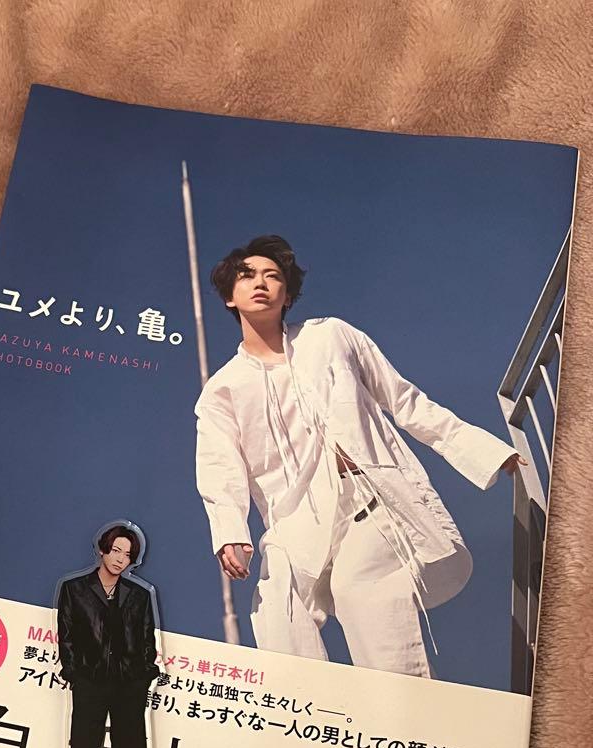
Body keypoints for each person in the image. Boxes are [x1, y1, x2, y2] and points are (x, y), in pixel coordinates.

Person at [194, 235, 523, 678]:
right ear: (230, 297)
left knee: (361, 591)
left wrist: (483, 451)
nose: (261, 283)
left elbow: (404, 400)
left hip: (365, 498)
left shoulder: (330, 336)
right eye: (247, 275)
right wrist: (230, 530)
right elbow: (219, 466)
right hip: (294, 515)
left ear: (287, 295)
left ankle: (402, 704)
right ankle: (305, 703)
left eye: (273, 276)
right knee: (277, 602)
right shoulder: (222, 389)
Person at [52, 523, 159, 748]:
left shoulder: (139, 596)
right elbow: (66, 636)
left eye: (127, 554)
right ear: (102, 549)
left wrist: (143, 676)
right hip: (91, 685)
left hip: (129, 687)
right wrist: (75, 674)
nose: (120, 559)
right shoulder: (75, 590)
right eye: (115, 551)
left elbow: (147, 640)